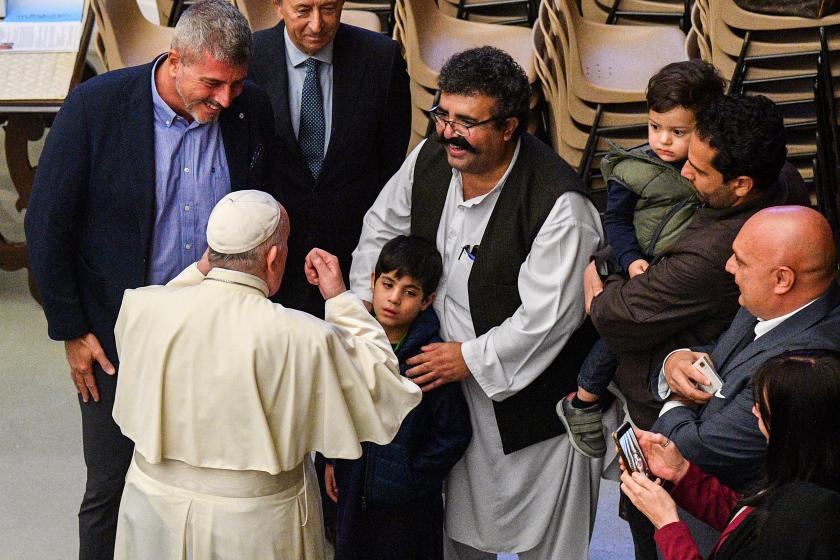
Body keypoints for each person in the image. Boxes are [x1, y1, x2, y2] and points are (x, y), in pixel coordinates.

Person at [23, 2, 275, 558]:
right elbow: (45, 226)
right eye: (212, 83)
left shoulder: (249, 108)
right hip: (118, 341)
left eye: (236, 84)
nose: (225, 100)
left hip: (217, 337)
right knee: (111, 486)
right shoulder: (97, 107)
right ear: (175, 60)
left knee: (212, 486)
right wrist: (71, 329)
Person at [350, 46, 604, 560]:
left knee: (547, 545)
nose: (447, 132)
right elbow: (380, 233)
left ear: (510, 126)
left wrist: (466, 357)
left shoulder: (559, 205)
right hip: (445, 396)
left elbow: (548, 320)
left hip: (534, 412)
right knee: (460, 537)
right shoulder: (430, 159)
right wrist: (368, 320)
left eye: (467, 122)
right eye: (443, 115)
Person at [111, 190, 422, 560]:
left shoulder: (140, 307)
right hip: (253, 526)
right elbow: (383, 388)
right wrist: (339, 298)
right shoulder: (304, 336)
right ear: (274, 257)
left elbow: (173, 296)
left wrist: (208, 265)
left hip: (152, 513)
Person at [585, 94, 809, 558]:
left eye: (700, 171)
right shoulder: (782, 177)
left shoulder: (714, 253)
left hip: (676, 444)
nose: (684, 171)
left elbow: (614, 317)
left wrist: (597, 281)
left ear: (742, 184)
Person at [558, 60, 725, 459]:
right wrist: (630, 260)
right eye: (655, 127)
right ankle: (583, 398)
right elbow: (613, 219)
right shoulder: (633, 168)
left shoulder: (708, 165)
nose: (663, 140)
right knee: (620, 334)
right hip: (635, 260)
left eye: (677, 132)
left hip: (673, 263)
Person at [652, 206, 840, 492]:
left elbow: (698, 451)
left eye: (740, 261)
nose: (728, 266)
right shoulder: (770, 303)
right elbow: (726, 355)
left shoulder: (804, 364)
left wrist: (676, 399)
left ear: (782, 280)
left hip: (725, 518)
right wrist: (676, 361)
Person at [248, 0, 411, 319]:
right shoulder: (251, 57)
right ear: (278, 5)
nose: (317, 24)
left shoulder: (381, 59)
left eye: (329, 9)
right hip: (274, 254)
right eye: (303, 10)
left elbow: (391, 164)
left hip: (352, 250)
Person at [324, 235, 472, 560]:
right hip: (352, 493)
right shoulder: (352, 343)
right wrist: (330, 461)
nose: (393, 299)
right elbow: (333, 408)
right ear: (373, 281)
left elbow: (454, 432)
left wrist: (412, 475)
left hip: (409, 511)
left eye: (409, 292)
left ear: (427, 300)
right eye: (388, 284)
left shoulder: (429, 359)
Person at [621, 350, 840, 560]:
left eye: (764, 407)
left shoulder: (810, 517)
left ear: (790, 426)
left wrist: (668, 524)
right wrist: (682, 472)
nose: (754, 410)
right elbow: (746, 520)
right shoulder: (801, 485)